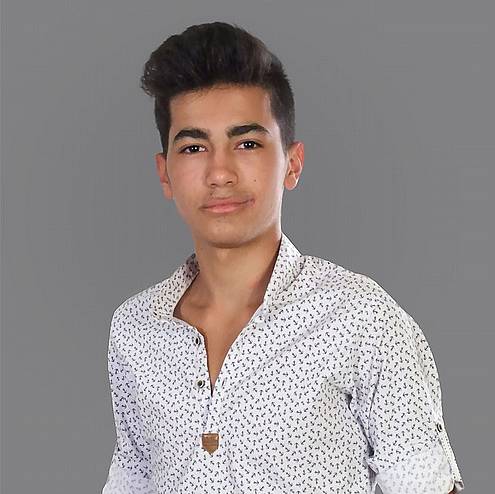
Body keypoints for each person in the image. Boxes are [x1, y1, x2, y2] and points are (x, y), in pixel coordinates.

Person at [101, 21, 465, 494]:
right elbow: (132, 480)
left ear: (292, 164)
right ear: (165, 173)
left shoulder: (361, 318)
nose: (219, 172)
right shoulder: (135, 329)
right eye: (193, 147)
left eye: (247, 143)